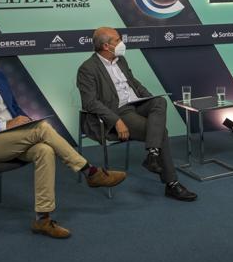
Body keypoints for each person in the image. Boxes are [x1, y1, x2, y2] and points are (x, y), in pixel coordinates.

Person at [0, 32, 126, 239]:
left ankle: (43, 219)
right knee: (42, 129)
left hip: (12, 137)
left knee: (44, 150)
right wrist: (6, 124)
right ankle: (90, 172)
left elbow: (14, 108)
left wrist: (24, 120)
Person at [76, 27, 197, 201]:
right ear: (105, 46)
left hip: (136, 104)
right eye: (117, 40)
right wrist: (116, 120)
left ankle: (152, 155)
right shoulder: (87, 68)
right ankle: (171, 182)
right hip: (118, 111)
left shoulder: (121, 61)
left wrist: (149, 98)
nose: (121, 43)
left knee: (159, 102)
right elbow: (90, 102)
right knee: (161, 132)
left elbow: (134, 83)